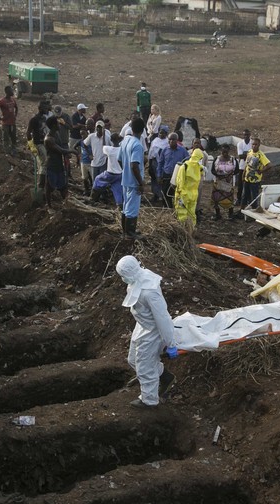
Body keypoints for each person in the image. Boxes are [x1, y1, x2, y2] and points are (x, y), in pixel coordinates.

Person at [115, 255, 177, 408]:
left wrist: (171, 343)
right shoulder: (137, 280)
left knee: (145, 367)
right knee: (133, 360)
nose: (122, 279)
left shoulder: (150, 292)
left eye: (123, 276)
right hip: (142, 326)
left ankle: (149, 401)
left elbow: (163, 318)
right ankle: (164, 377)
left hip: (152, 333)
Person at [119, 117, 147, 239]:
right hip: (134, 182)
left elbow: (119, 160)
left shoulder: (125, 141)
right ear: (142, 130)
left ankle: (125, 232)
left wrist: (126, 172)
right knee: (132, 208)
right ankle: (130, 233)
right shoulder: (137, 145)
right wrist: (140, 182)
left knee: (126, 206)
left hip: (125, 180)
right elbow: (134, 165)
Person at [43, 117, 79, 208]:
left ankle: (66, 203)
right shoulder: (48, 139)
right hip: (52, 165)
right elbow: (60, 150)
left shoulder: (57, 134)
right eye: (58, 124)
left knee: (63, 185)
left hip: (59, 164)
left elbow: (61, 147)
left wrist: (67, 154)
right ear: (54, 125)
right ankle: (49, 206)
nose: (60, 125)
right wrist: (72, 151)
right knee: (50, 186)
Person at [175, 148, 205, 236]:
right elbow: (180, 181)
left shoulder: (199, 168)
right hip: (183, 195)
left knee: (192, 214)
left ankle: (191, 231)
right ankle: (182, 233)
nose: (200, 161)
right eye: (200, 158)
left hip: (193, 195)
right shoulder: (185, 166)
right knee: (182, 214)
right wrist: (180, 196)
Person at [156, 132, 189, 209]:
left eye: (173, 139)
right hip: (166, 175)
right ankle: (167, 208)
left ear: (177, 140)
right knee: (164, 193)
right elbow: (160, 163)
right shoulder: (164, 150)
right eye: (170, 139)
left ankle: (177, 209)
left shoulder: (183, 151)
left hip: (178, 176)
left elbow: (188, 162)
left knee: (176, 194)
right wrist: (159, 175)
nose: (171, 141)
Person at [240, 137, 271, 212]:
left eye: (256, 144)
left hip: (255, 180)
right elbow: (247, 165)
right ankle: (242, 210)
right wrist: (243, 174)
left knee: (253, 197)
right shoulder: (249, 152)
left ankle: (254, 213)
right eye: (253, 144)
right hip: (247, 178)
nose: (254, 146)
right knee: (244, 195)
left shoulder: (260, 155)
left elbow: (269, 165)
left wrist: (261, 171)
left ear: (259, 145)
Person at [26, 100, 50, 189]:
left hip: (44, 143)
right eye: (45, 108)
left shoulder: (44, 119)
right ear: (40, 109)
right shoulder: (34, 119)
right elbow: (28, 133)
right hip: (38, 144)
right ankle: (40, 186)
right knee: (44, 163)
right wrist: (31, 145)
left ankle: (44, 185)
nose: (47, 109)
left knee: (43, 164)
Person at [210, 142, 237, 220]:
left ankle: (230, 215)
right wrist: (219, 175)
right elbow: (212, 170)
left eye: (226, 152)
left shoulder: (233, 159)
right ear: (221, 151)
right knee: (216, 199)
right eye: (223, 152)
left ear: (229, 151)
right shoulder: (217, 159)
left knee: (229, 198)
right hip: (218, 182)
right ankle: (218, 214)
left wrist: (228, 175)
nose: (224, 153)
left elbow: (237, 170)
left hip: (229, 183)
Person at [0, 86, 18, 155]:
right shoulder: (2, 101)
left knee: (13, 137)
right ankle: (7, 152)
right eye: (11, 90)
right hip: (5, 123)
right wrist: (0, 118)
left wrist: (15, 115)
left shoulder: (13, 99)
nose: (13, 92)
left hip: (12, 123)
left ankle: (13, 150)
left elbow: (16, 108)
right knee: (6, 139)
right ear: (7, 92)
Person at [148, 126, 169, 201]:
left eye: (163, 133)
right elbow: (151, 152)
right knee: (153, 178)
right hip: (154, 162)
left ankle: (162, 195)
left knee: (160, 179)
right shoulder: (155, 141)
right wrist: (150, 164)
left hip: (162, 163)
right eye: (160, 132)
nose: (160, 134)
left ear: (166, 134)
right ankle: (155, 195)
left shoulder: (167, 143)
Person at [234, 129, 252, 216]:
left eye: (247, 135)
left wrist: (246, 154)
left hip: (251, 167)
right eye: (244, 135)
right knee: (240, 183)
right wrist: (249, 154)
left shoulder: (252, 143)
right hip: (242, 166)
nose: (246, 136)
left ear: (250, 135)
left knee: (249, 183)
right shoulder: (240, 144)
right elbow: (240, 156)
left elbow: (253, 155)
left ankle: (248, 199)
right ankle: (239, 198)